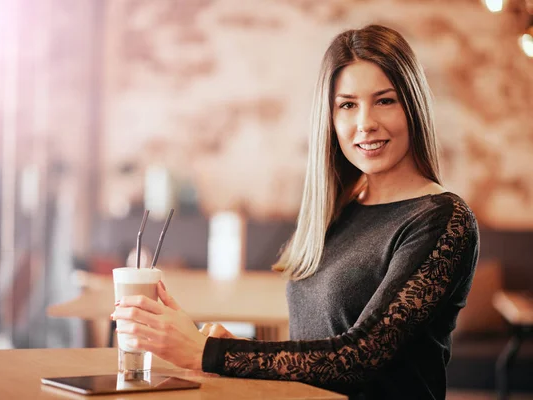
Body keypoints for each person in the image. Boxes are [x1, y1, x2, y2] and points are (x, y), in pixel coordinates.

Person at [112, 24, 479, 400]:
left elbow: (360, 357)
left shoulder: (443, 219)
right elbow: (317, 348)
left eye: (385, 100)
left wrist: (208, 353)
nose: (365, 123)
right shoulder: (340, 209)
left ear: (413, 104)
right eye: (347, 105)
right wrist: (233, 350)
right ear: (331, 118)